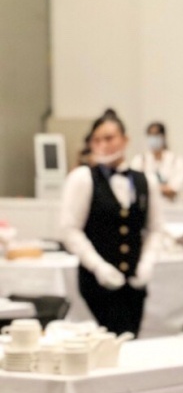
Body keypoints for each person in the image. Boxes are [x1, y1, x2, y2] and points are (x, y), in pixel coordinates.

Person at [59, 110, 163, 336]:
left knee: (131, 337)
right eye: (97, 140)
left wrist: (147, 263)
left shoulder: (145, 180)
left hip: (134, 280)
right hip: (97, 281)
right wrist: (98, 266)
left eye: (109, 138)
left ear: (125, 140)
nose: (103, 145)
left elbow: (155, 228)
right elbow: (70, 229)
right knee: (113, 336)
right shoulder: (83, 178)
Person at [130, 122, 183, 203]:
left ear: (163, 136)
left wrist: (151, 188)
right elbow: (135, 186)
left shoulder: (176, 160)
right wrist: (161, 188)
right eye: (150, 135)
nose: (153, 138)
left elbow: (173, 190)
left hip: (170, 206)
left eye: (156, 135)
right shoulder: (140, 160)